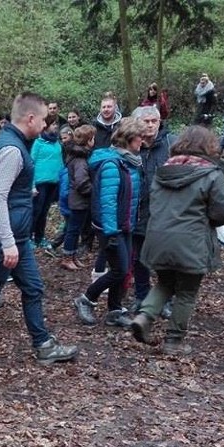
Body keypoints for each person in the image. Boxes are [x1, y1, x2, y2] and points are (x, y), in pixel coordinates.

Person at [0, 92, 79, 366]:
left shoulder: (15, 144)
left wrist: (25, 191)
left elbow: (7, 189)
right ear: (30, 118)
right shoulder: (11, 149)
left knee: (33, 288)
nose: (46, 125)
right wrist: (7, 242)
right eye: (44, 120)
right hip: (4, 239)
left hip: (17, 237)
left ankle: (42, 344)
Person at [130, 126, 224, 354]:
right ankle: (174, 341)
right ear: (209, 147)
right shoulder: (212, 175)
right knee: (186, 291)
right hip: (191, 242)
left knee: (165, 283)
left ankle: (144, 316)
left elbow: (154, 202)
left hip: (157, 238)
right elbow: (221, 213)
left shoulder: (163, 171)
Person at [73, 117, 145, 329]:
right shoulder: (113, 164)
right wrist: (111, 233)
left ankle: (115, 310)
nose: (143, 141)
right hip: (111, 228)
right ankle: (86, 299)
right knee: (119, 270)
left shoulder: (131, 162)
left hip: (127, 225)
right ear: (129, 138)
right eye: (140, 137)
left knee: (122, 269)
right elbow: (108, 201)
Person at [131, 105, 176, 309]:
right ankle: (141, 296)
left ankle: (165, 298)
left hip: (165, 213)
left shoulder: (171, 143)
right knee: (139, 258)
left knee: (164, 260)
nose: (150, 125)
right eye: (146, 121)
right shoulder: (130, 145)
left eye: (154, 121)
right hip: (137, 213)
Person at [59, 124, 96, 271]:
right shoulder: (80, 159)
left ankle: (72, 256)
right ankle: (67, 257)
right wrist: (93, 191)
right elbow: (81, 181)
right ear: (89, 140)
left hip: (78, 199)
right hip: (79, 200)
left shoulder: (79, 155)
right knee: (73, 230)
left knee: (75, 229)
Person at [30, 114, 63, 251]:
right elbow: (31, 163)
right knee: (36, 211)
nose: (56, 126)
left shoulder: (57, 143)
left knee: (44, 211)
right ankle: (28, 237)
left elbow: (60, 161)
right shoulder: (37, 143)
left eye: (56, 124)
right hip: (40, 182)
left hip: (53, 182)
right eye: (53, 124)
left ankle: (40, 237)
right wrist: (31, 185)